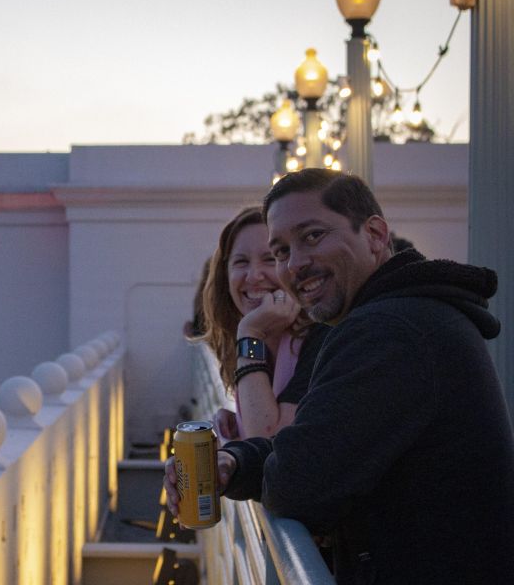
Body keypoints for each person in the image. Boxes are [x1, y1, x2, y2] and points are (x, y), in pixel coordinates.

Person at [166, 169, 514, 583]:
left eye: (312, 236)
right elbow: (312, 447)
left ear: (375, 234)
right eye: (281, 251)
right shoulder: (399, 319)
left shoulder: (391, 332)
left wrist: (251, 343)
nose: (294, 264)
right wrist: (232, 463)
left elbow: (299, 483)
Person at [195, 206, 329, 440]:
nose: (254, 275)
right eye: (241, 262)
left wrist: (250, 333)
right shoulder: (259, 346)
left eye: (270, 259)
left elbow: (268, 440)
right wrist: (239, 420)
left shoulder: (321, 339)